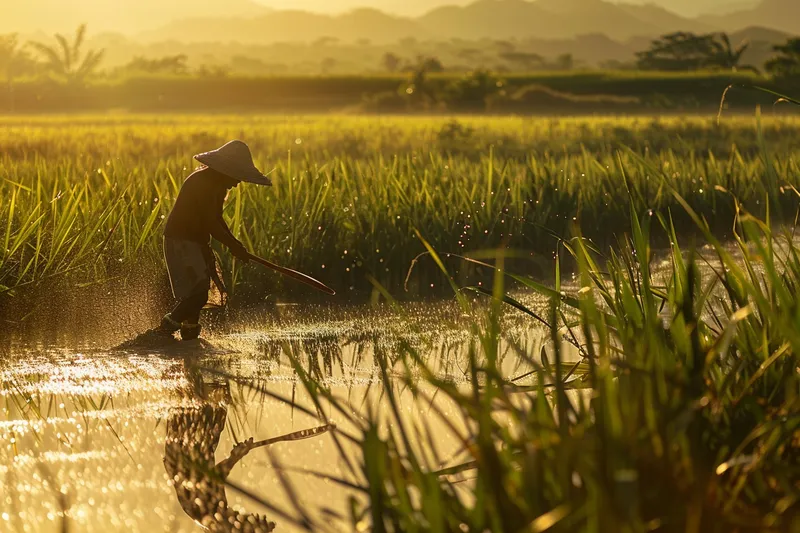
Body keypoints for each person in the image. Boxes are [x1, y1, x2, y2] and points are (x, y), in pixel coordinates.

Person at [149, 140, 272, 342]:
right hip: (182, 241)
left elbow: (216, 220)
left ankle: (189, 340)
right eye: (237, 176)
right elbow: (211, 223)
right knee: (198, 296)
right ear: (225, 170)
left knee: (196, 297)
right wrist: (234, 245)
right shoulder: (204, 184)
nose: (238, 182)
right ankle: (160, 334)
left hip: (195, 242)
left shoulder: (216, 185)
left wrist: (235, 244)